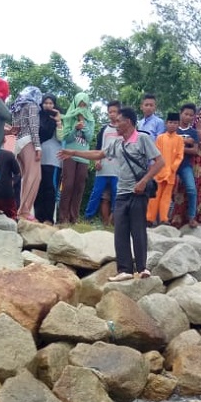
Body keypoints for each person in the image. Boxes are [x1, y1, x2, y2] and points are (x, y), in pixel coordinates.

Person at [62, 106, 163, 281]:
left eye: (118, 121)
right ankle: (124, 270)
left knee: (138, 230)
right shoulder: (117, 143)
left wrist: (144, 181)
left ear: (129, 122)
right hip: (122, 192)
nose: (115, 125)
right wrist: (74, 152)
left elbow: (160, 162)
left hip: (138, 193)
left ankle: (142, 268)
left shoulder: (142, 139)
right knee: (120, 231)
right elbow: (99, 154)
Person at [58, 91, 95, 225]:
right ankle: (63, 217)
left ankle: (74, 217)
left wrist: (83, 125)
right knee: (67, 185)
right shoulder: (68, 118)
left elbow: (90, 138)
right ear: (75, 104)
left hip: (84, 157)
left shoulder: (90, 119)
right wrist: (74, 128)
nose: (82, 108)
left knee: (79, 186)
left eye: (84, 105)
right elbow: (65, 138)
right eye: (80, 105)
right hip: (69, 155)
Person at [83, 100, 120, 225]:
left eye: (115, 112)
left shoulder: (123, 129)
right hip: (103, 168)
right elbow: (99, 147)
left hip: (118, 170)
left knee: (117, 195)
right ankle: (88, 218)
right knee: (96, 194)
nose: (112, 114)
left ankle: (116, 221)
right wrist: (96, 161)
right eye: (110, 112)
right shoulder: (104, 129)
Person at [9, 85, 42, 222]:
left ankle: (20, 209)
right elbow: (34, 127)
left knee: (23, 177)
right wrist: (38, 147)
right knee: (34, 177)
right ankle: (24, 210)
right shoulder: (32, 106)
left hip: (18, 143)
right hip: (29, 142)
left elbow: (15, 128)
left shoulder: (17, 106)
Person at [148, 112, 183, 226]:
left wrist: (172, 168)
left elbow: (179, 156)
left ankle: (163, 218)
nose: (172, 125)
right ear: (166, 123)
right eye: (170, 122)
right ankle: (149, 218)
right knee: (155, 196)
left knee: (166, 197)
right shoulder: (160, 138)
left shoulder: (179, 139)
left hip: (171, 173)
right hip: (158, 172)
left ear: (178, 124)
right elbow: (155, 153)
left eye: (175, 123)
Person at [36, 94, 63, 224]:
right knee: (38, 188)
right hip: (38, 158)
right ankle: (37, 216)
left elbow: (61, 138)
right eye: (45, 103)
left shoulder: (58, 118)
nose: (48, 105)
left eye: (51, 103)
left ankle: (48, 218)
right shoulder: (37, 117)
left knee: (50, 189)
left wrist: (58, 121)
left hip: (53, 160)